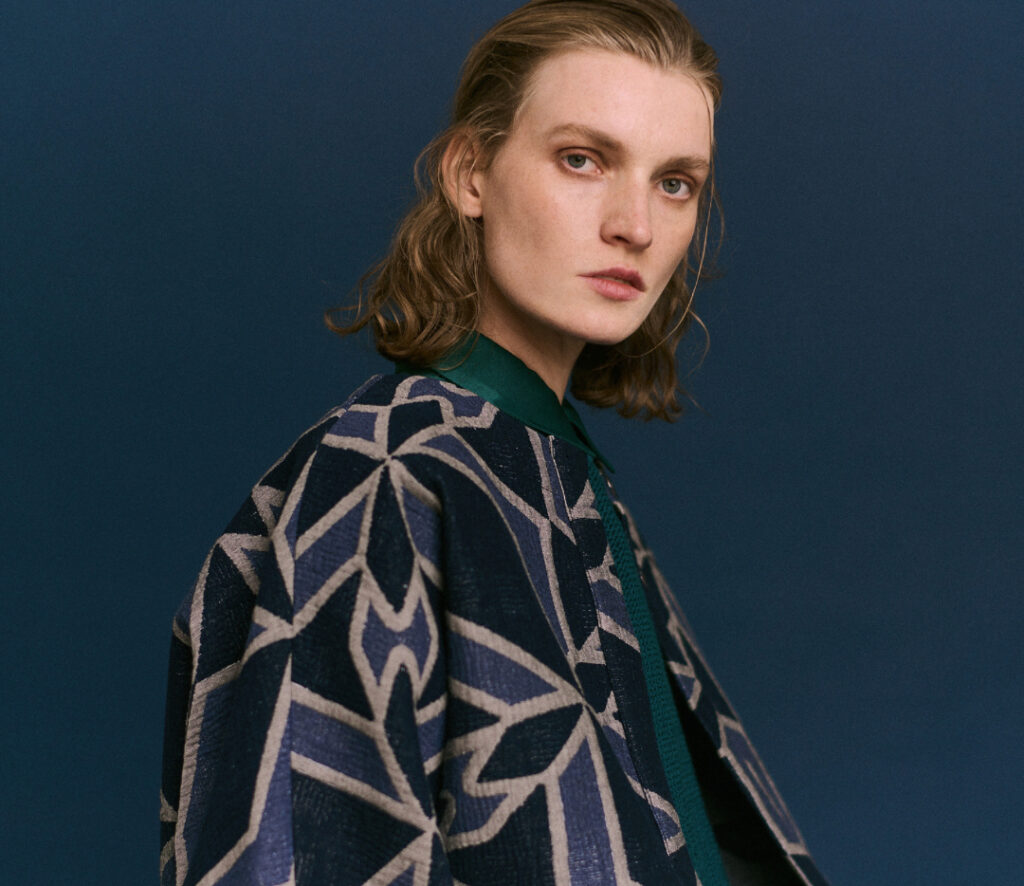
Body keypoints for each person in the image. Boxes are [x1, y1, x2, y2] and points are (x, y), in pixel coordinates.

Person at [160, 1, 828, 884]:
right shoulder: (386, 475)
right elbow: (293, 853)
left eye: (675, 182)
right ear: (470, 173)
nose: (635, 224)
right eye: (582, 159)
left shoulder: (552, 468)